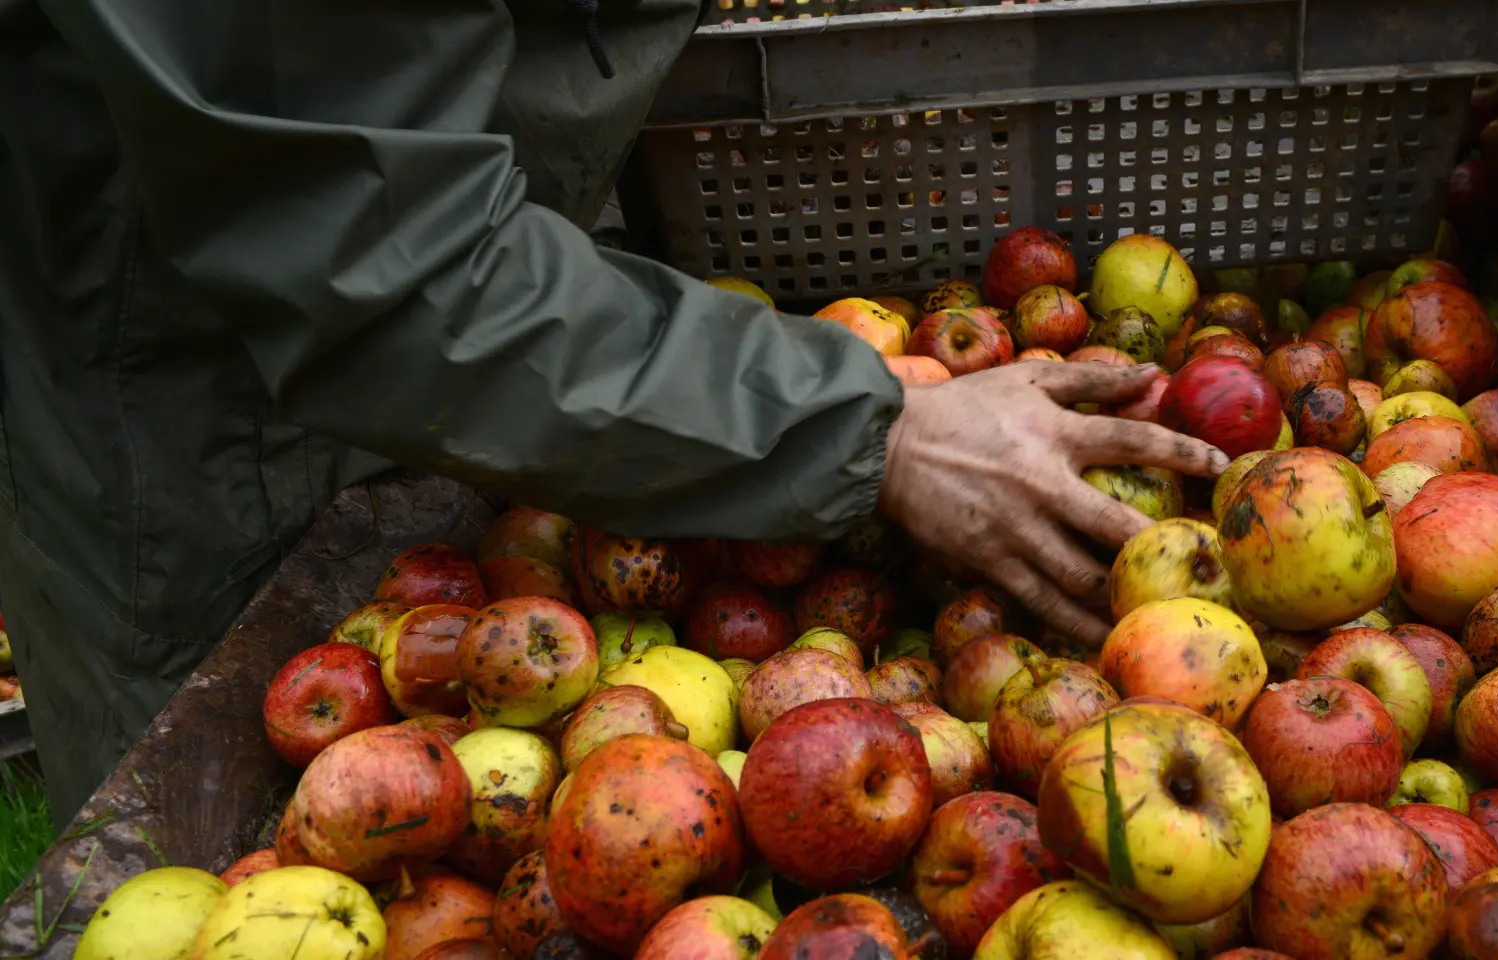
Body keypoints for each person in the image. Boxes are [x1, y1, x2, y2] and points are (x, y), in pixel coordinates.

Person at [0, 0, 1226, 823]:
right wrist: (872, 429)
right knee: (232, 815)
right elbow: (377, 252)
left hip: (523, 336)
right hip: (208, 388)